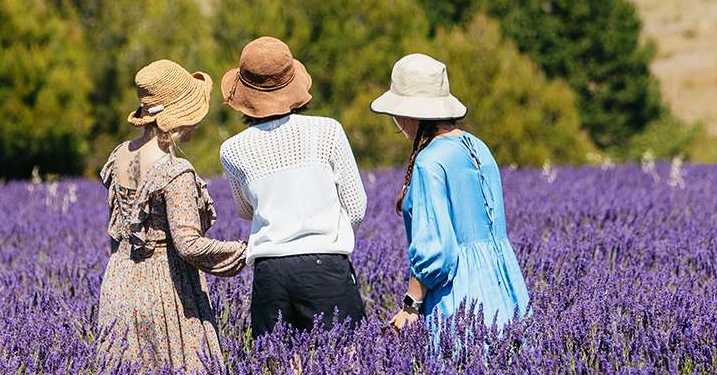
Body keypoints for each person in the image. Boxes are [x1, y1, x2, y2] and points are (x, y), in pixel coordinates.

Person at [96, 60, 247, 375]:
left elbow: (115, 232)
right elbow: (189, 246)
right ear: (179, 117)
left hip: (118, 286)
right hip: (166, 290)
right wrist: (242, 253)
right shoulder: (175, 171)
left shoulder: (119, 155)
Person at [218, 36, 369, 337]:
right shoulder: (328, 131)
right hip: (325, 266)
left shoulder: (232, 149)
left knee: (282, 370)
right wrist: (323, 228)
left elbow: (246, 211)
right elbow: (356, 207)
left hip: (270, 273)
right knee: (347, 366)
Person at [373, 53, 529, 336]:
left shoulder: (429, 162)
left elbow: (437, 252)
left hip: (460, 299)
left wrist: (410, 305)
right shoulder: (478, 146)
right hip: (508, 290)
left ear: (408, 113)